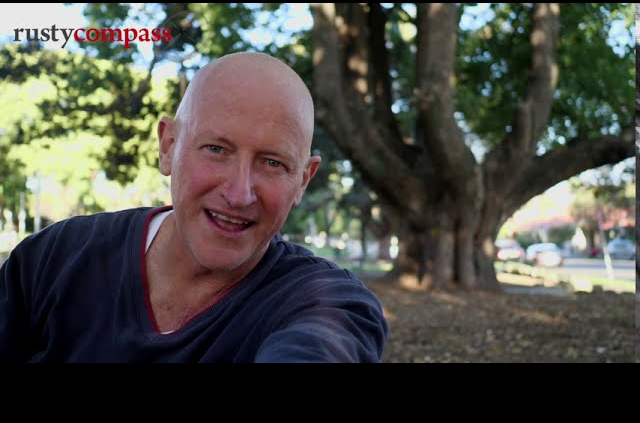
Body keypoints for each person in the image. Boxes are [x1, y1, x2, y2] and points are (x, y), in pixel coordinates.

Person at [0, 52, 388, 362]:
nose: (239, 194)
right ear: (168, 147)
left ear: (303, 179)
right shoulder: (53, 259)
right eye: (216, 149)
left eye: (273, 162)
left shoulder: (326, 304)